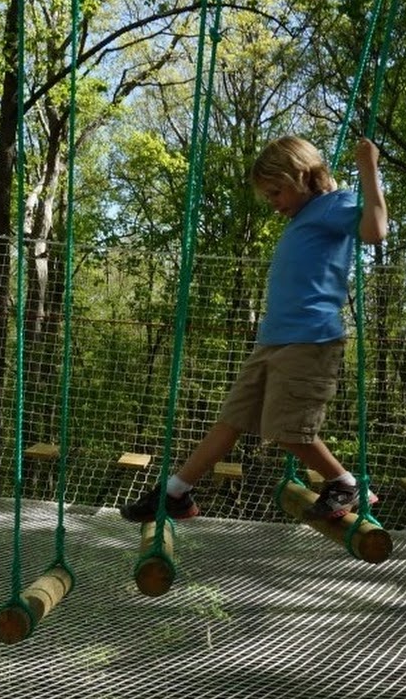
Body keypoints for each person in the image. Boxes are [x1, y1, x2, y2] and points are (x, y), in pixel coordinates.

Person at [121, 135, 388, 523]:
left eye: (277, 192)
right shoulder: (302, 218)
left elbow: (375, 231)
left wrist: (368, 168)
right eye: (268, 196)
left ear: (302, 175)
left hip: (310, 340)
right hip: (272, 341)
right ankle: (175, 492)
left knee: (287, 429)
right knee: (231, 419)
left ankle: (345, 483)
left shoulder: (335, 205)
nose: (273, 203)